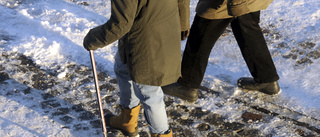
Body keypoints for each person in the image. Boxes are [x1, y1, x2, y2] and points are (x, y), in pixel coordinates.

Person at [83, 0, 190, 136]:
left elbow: (120, 24)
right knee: (122, 68)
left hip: (145, 40)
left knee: (149, 91)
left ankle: (162, 134)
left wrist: (93, 38)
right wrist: (182, 24)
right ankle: (127, 119)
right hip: (163, 26)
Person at [162, 0, 280, 103]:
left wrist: (237, 3)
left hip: (224, 2)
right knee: (247, 28)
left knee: (200, 35)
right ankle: (266, 78)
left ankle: (187, 85)